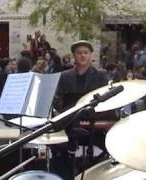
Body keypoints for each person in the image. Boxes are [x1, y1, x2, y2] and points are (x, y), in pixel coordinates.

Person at [52, 40, 109, 179]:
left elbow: (107, 100)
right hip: (70, 123)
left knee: (108, 146)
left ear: (90, 55)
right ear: (74, 56)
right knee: (55, 147)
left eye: (86, 53)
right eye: (79, 53)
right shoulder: (64, 76)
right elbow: (57, 100)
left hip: (94, 123)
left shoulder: (101, 75)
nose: (83, 56)